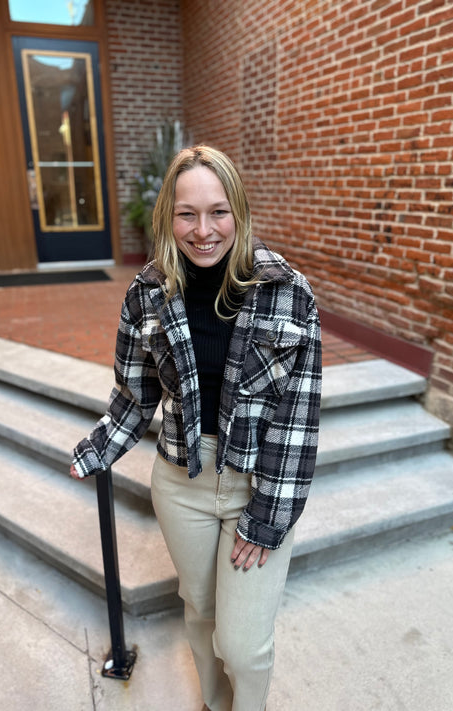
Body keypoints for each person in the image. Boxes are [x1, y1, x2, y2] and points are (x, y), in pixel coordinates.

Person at [70, 145, 322, 711]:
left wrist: (267, 516)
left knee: (243, 644)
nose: (203, 230)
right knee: (201, 610)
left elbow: (299, 419)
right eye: (187, 213)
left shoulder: (288, 292)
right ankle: (213, 702)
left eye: (218, 212)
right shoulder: (147, 293)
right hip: (180, 481)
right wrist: (100, 447)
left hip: (256, 483)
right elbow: (134, 394)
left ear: (239, 211)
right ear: (168, 216)